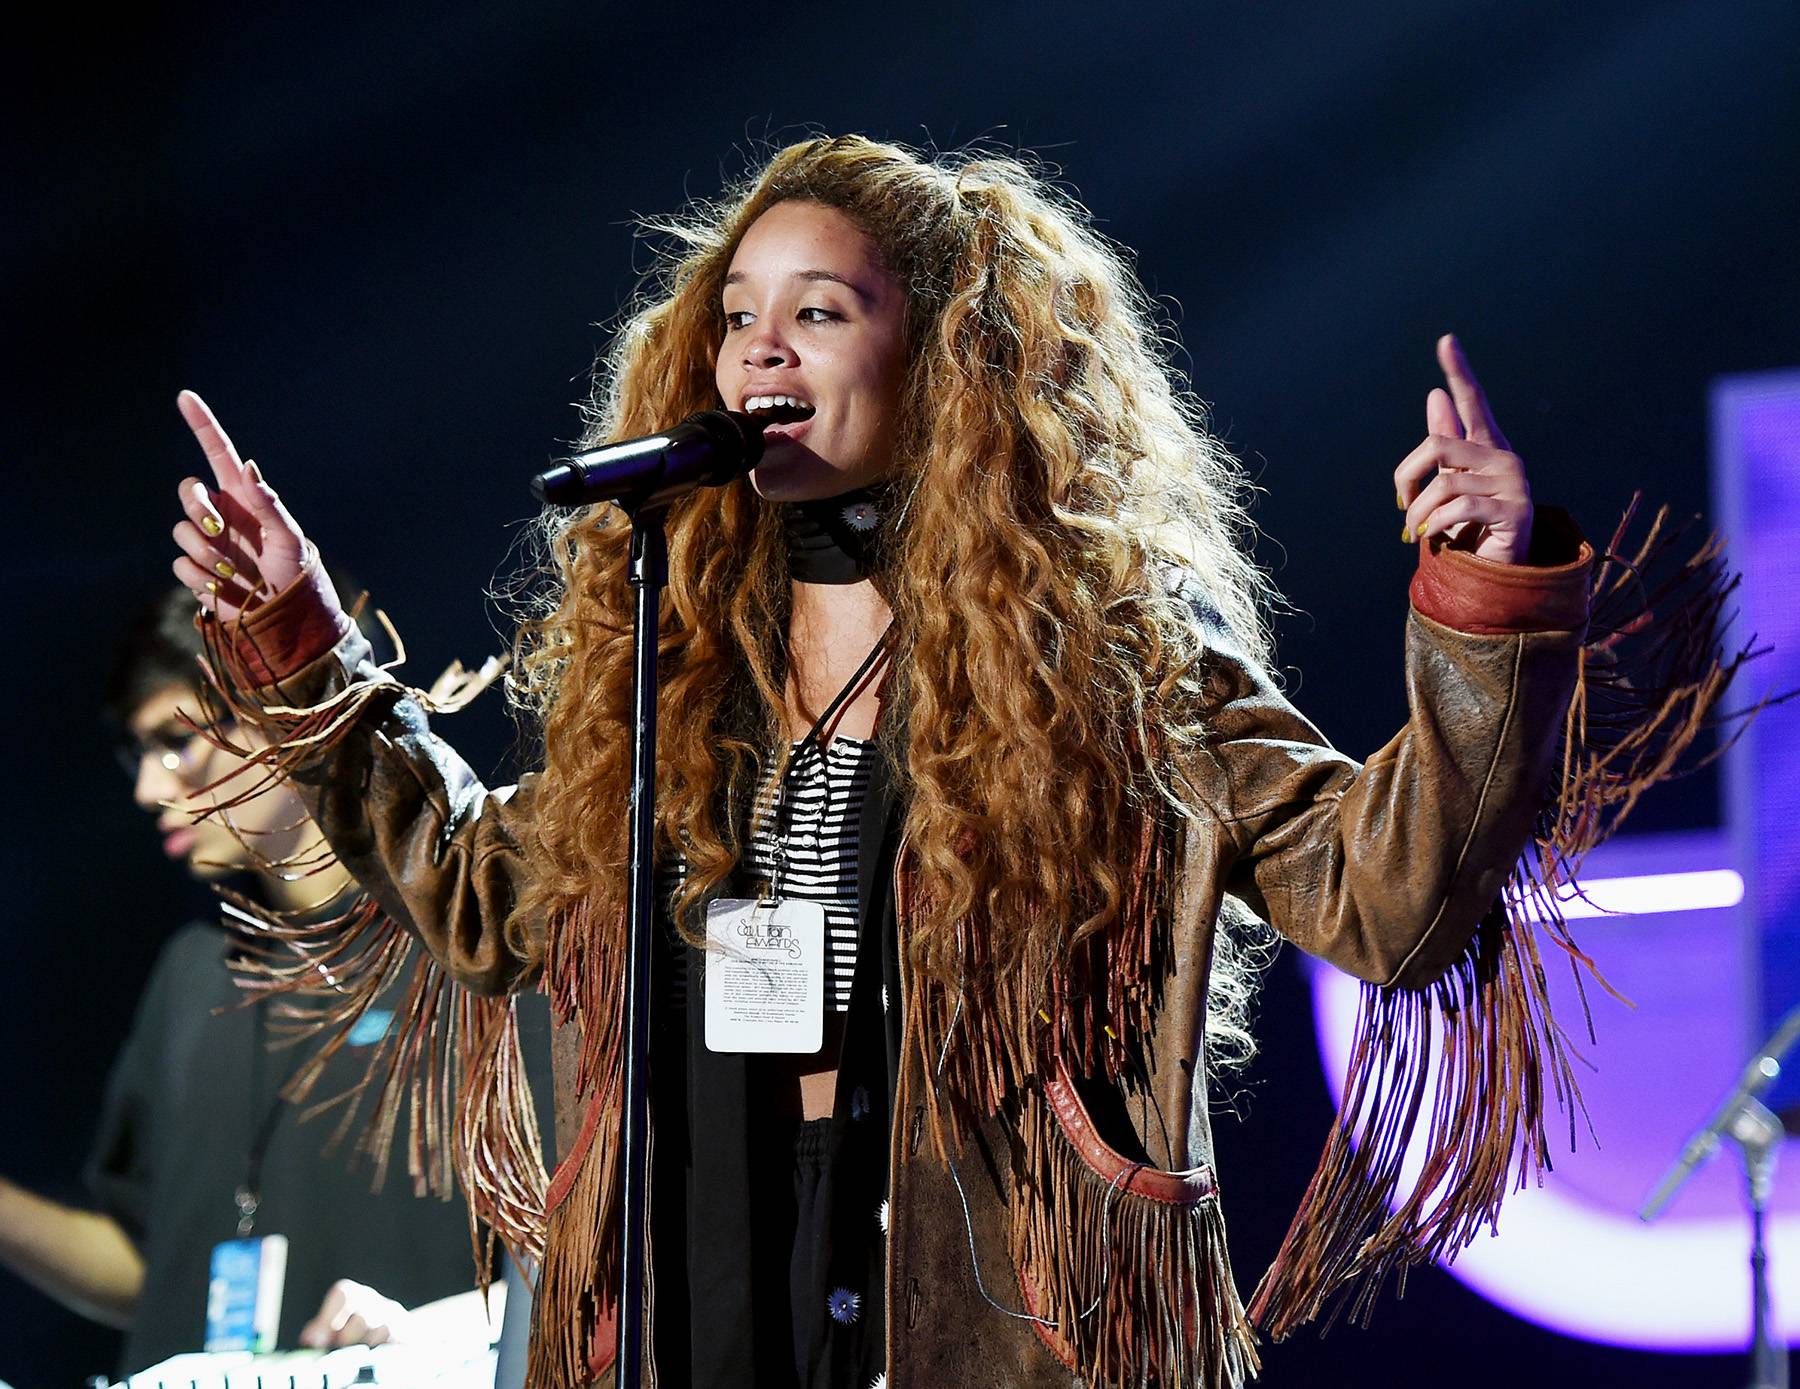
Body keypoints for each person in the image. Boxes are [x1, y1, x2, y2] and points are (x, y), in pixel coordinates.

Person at [165, 136, 1731, 1389]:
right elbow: (479, 893)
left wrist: (1483, 604)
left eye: (818, 312)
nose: (760, 349)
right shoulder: (675, 669)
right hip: (702, 1289)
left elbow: (1389, 894)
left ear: (941, 359)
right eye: (738, 315)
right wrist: (304, 645)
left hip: (998, 1319)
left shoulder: (1115, 668)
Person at [0, 588, 494, 1375]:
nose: (149, 788)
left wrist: (431, 1331)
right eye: (140, 753)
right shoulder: (193, 973)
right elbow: (157, 1267)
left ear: (287, 718)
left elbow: (584, 1250)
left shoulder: (476, 946)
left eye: (175, 741)